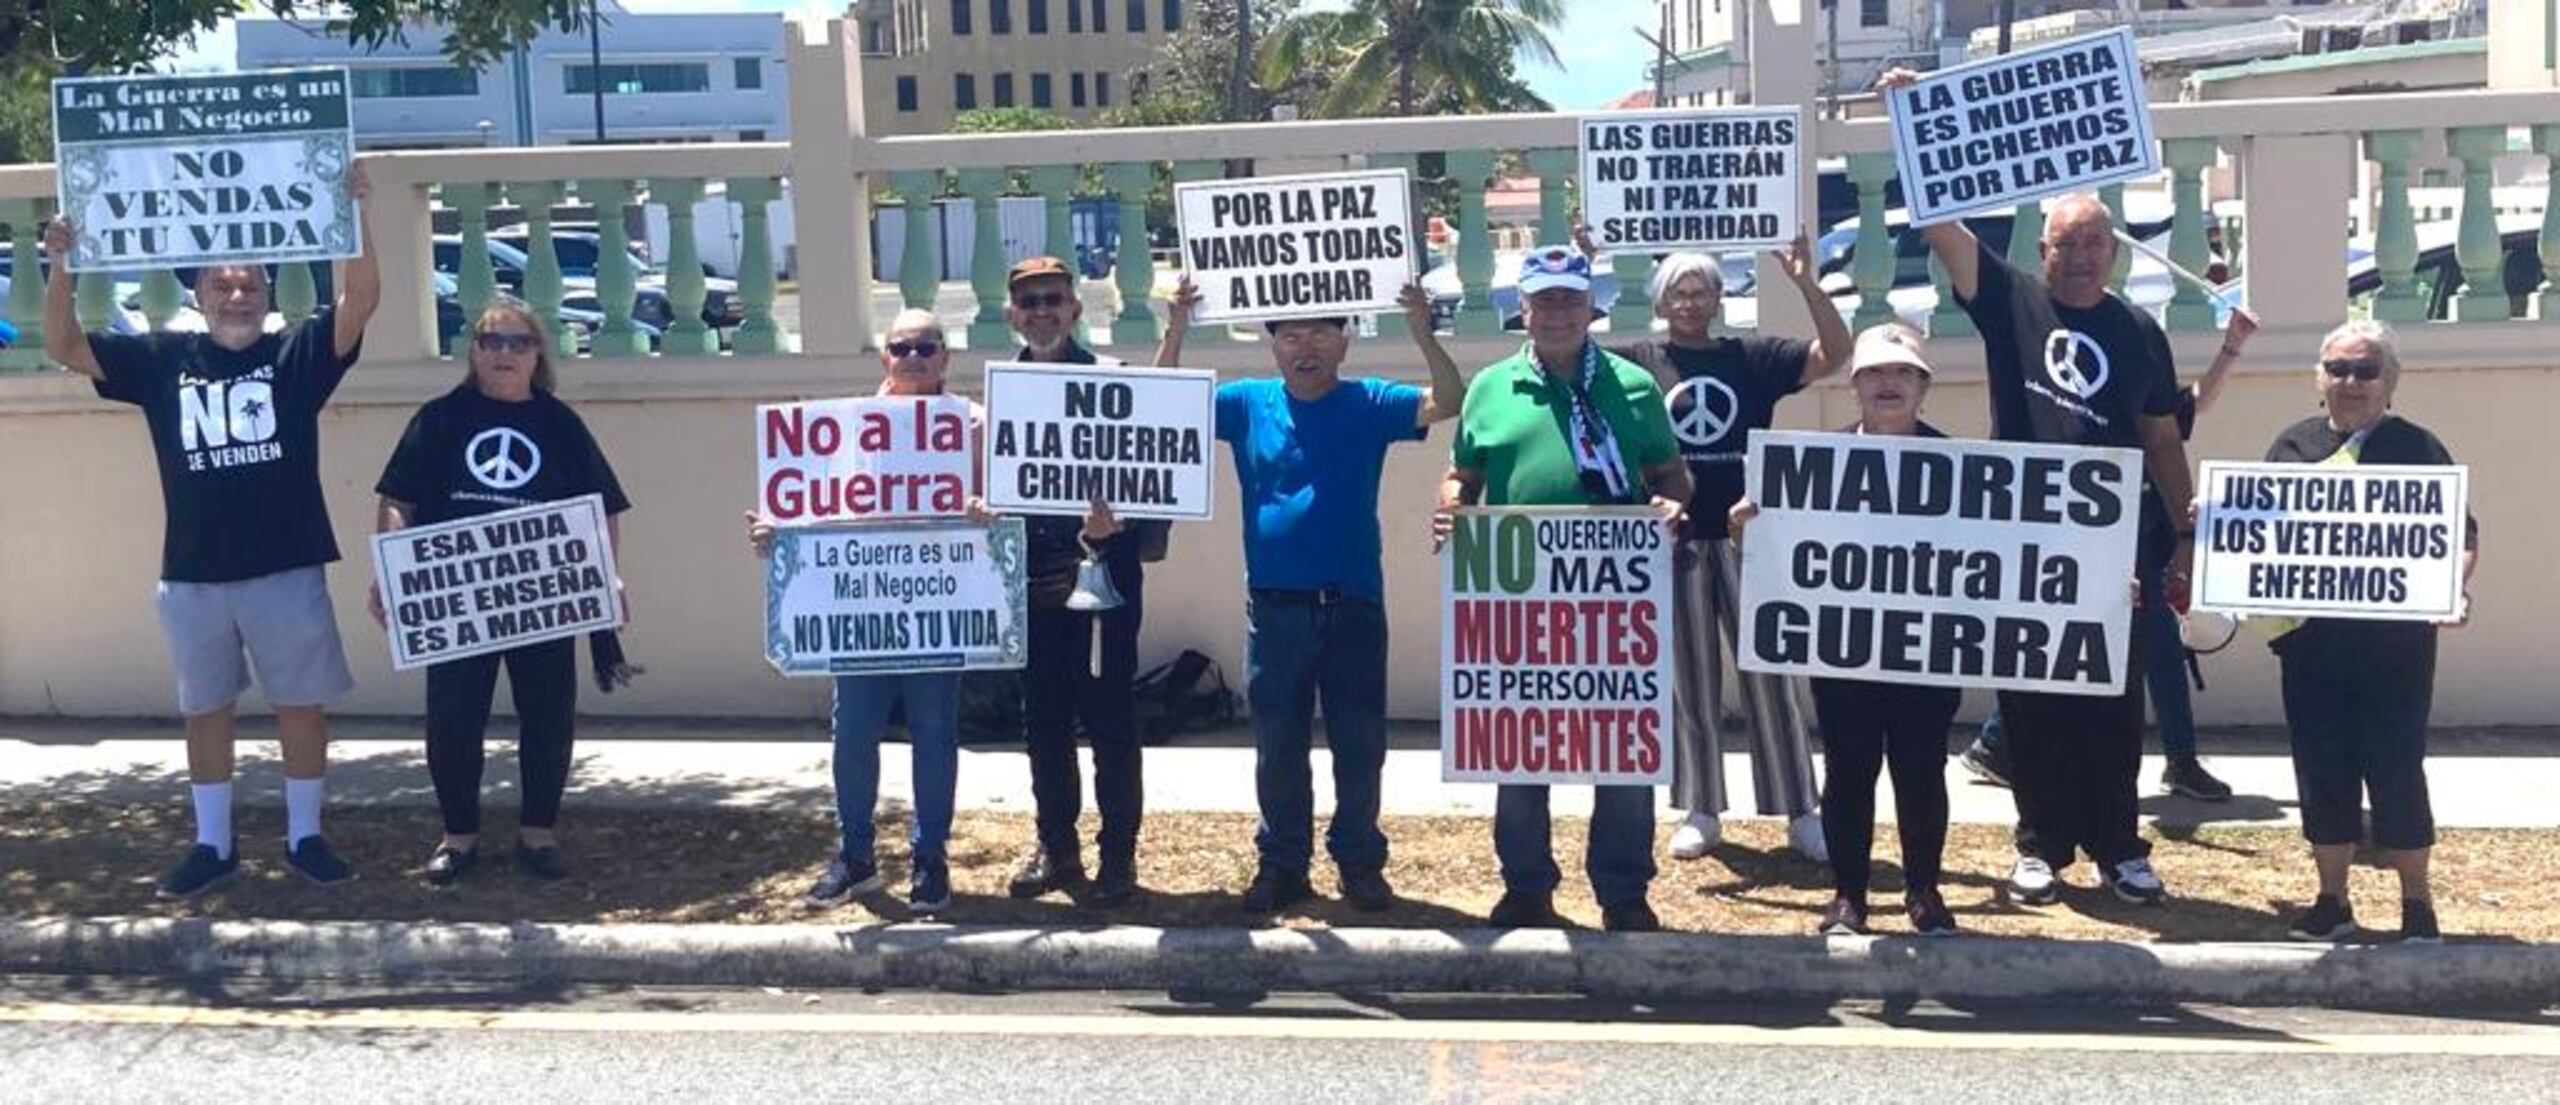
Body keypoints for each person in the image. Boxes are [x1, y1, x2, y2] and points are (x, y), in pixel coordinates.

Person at [1880, 86, 2199, 906]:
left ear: (2114, 253)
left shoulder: (2139, 332)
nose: (2083, 255)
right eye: (2068, 242)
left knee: (2113, 696)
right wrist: (1911, 119)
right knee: (2030, 696)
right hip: (2023, 539)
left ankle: (2119, 846)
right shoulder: (2011, 300)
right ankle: (2039, 845)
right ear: (2045, 249)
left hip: (2114, 540)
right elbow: (1944, 229)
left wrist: (2184, 529)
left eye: (2096, 242)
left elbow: (2162, 438)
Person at [40, 165, 381, 898]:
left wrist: (354, 218)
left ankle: (304, 836)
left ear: (268, 296)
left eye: (250, 287)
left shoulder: (295, 355)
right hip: (193, 573)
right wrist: (60, 260)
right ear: (198, 297)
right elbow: (64, 344)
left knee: (300, 704)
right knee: (206, 709)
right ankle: (213, 843)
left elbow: (361, 303)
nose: (237, 297)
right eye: (223, 287)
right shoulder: (162, 359)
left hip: (286, 565)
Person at [1158, 274, 1467, 915]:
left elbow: (1448, 401)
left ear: (1344, 342)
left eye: (1322, 333)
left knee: (1359, 747)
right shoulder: (1246, 403)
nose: (1307, 347)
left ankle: (1359, 862)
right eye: (1291, 334)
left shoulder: (1370, 401)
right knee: (1278, 748)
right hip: (1274, 609)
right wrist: (1177, 329)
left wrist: (1419, 328)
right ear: (1271, 344)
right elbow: (1161, 403)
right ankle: (1282, 863)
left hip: (1351, 605)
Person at [1434, 246, 1691, 932]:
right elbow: (1463, 475)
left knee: (1622, 747)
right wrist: (1451, 504)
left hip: (1616, 600)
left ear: (1590, 307)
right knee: (1520, 745)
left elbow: (1671, 474)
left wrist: (1669, 506)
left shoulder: (1635, 385)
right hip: (1522, 600)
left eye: (1569, 300)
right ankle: (1526, 886)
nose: (1556, 313)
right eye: (1543, 300)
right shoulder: (1490, 388)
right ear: (1523, 308)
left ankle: (1623, 890)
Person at [1597, 234, 1850, 863]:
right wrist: (1594, 257)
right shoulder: (1636, 362)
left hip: (1748, 539)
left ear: (1719, 296)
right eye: (1678, 291)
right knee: (1690, 682)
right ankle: (1701, 805)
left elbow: (1835, 354)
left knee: (1771, 675)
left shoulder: (1753, 357)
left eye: (1702, 289)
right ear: (1660, 300)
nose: (1690, 301)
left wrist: (1805, 283)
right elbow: (1573, 365)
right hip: (1675, 542)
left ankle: (1800, 808)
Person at [371, 299, 632, 884]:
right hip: (458, 601)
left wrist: (605, 577)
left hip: (542, 598)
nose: (504, 354)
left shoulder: (560, 424)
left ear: (538, 354)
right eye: (492, 342)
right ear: (474, 353)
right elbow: (398, 501)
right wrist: (394, 570)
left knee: (548, 715)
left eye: (517, 343)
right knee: (453, 719)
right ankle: (458, 836)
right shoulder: (439, 419)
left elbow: (602, 510)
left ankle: (538, 833)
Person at [1961, 305, 2263, 802]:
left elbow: (2191, 406)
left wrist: (2231, 347)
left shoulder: (2142, 403)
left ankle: (2175, 759)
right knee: (2068, 643)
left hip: (2142, 538)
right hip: (2082, 542)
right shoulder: (2062, 412)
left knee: (2154, 648)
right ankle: (2002, 741)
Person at [1730, 324, 1962, 935]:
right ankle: (1848, 897)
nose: (1890, 384)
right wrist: (1744, 532)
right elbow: (1776, 555)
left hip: (1926, 648)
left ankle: (1924, 893)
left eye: (1904, 373)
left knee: (1921, 769)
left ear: (1923, 388)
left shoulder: (1963, 468)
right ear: (1855, 387)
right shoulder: (1813, 464)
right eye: (1875, 374)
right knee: (1850, 770)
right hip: (1844, 650)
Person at [747, 309, 975, 916]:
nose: (915, 357)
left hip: (937, 606)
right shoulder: (841, 426)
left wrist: (986, 510)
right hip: (860, 607)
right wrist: (778, 529)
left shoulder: (972, 424)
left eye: (928, 346)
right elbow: (814, 504)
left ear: (945, 358)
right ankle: (856, 856)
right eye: (902, 347)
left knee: (935, 734)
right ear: (884, 359)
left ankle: (930, 858)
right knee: (852, 735)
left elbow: (1002, 505)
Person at [2269, 321, 2476, 944]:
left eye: (2365, 371)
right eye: (2338, 369)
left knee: (2396, 768)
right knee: (2321, 769)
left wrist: (2453, 589)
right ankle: (2332, 902)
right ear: (2318, 380)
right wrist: (2214, 520)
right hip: (2311, 646)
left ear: (2390, 383)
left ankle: (2418, 906)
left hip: (2395, 649)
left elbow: (2459, 539)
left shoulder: (2418, 449)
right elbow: (2256, 530)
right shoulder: (2291, 446)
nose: (2350, 382)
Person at [996, 256, 1162, 907]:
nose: (1042, 311)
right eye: (1030, 302)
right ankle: (1057, 846)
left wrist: (1117, 518)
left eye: (1053, 300)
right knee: (1043, 722)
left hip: (1104, 571)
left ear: (1074, 309)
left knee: (1112, 719)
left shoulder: (1115, 382)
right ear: (1013, 313)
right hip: (1033, 574)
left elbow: (1154, 469)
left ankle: (1118, 855)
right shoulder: (1002, 392)